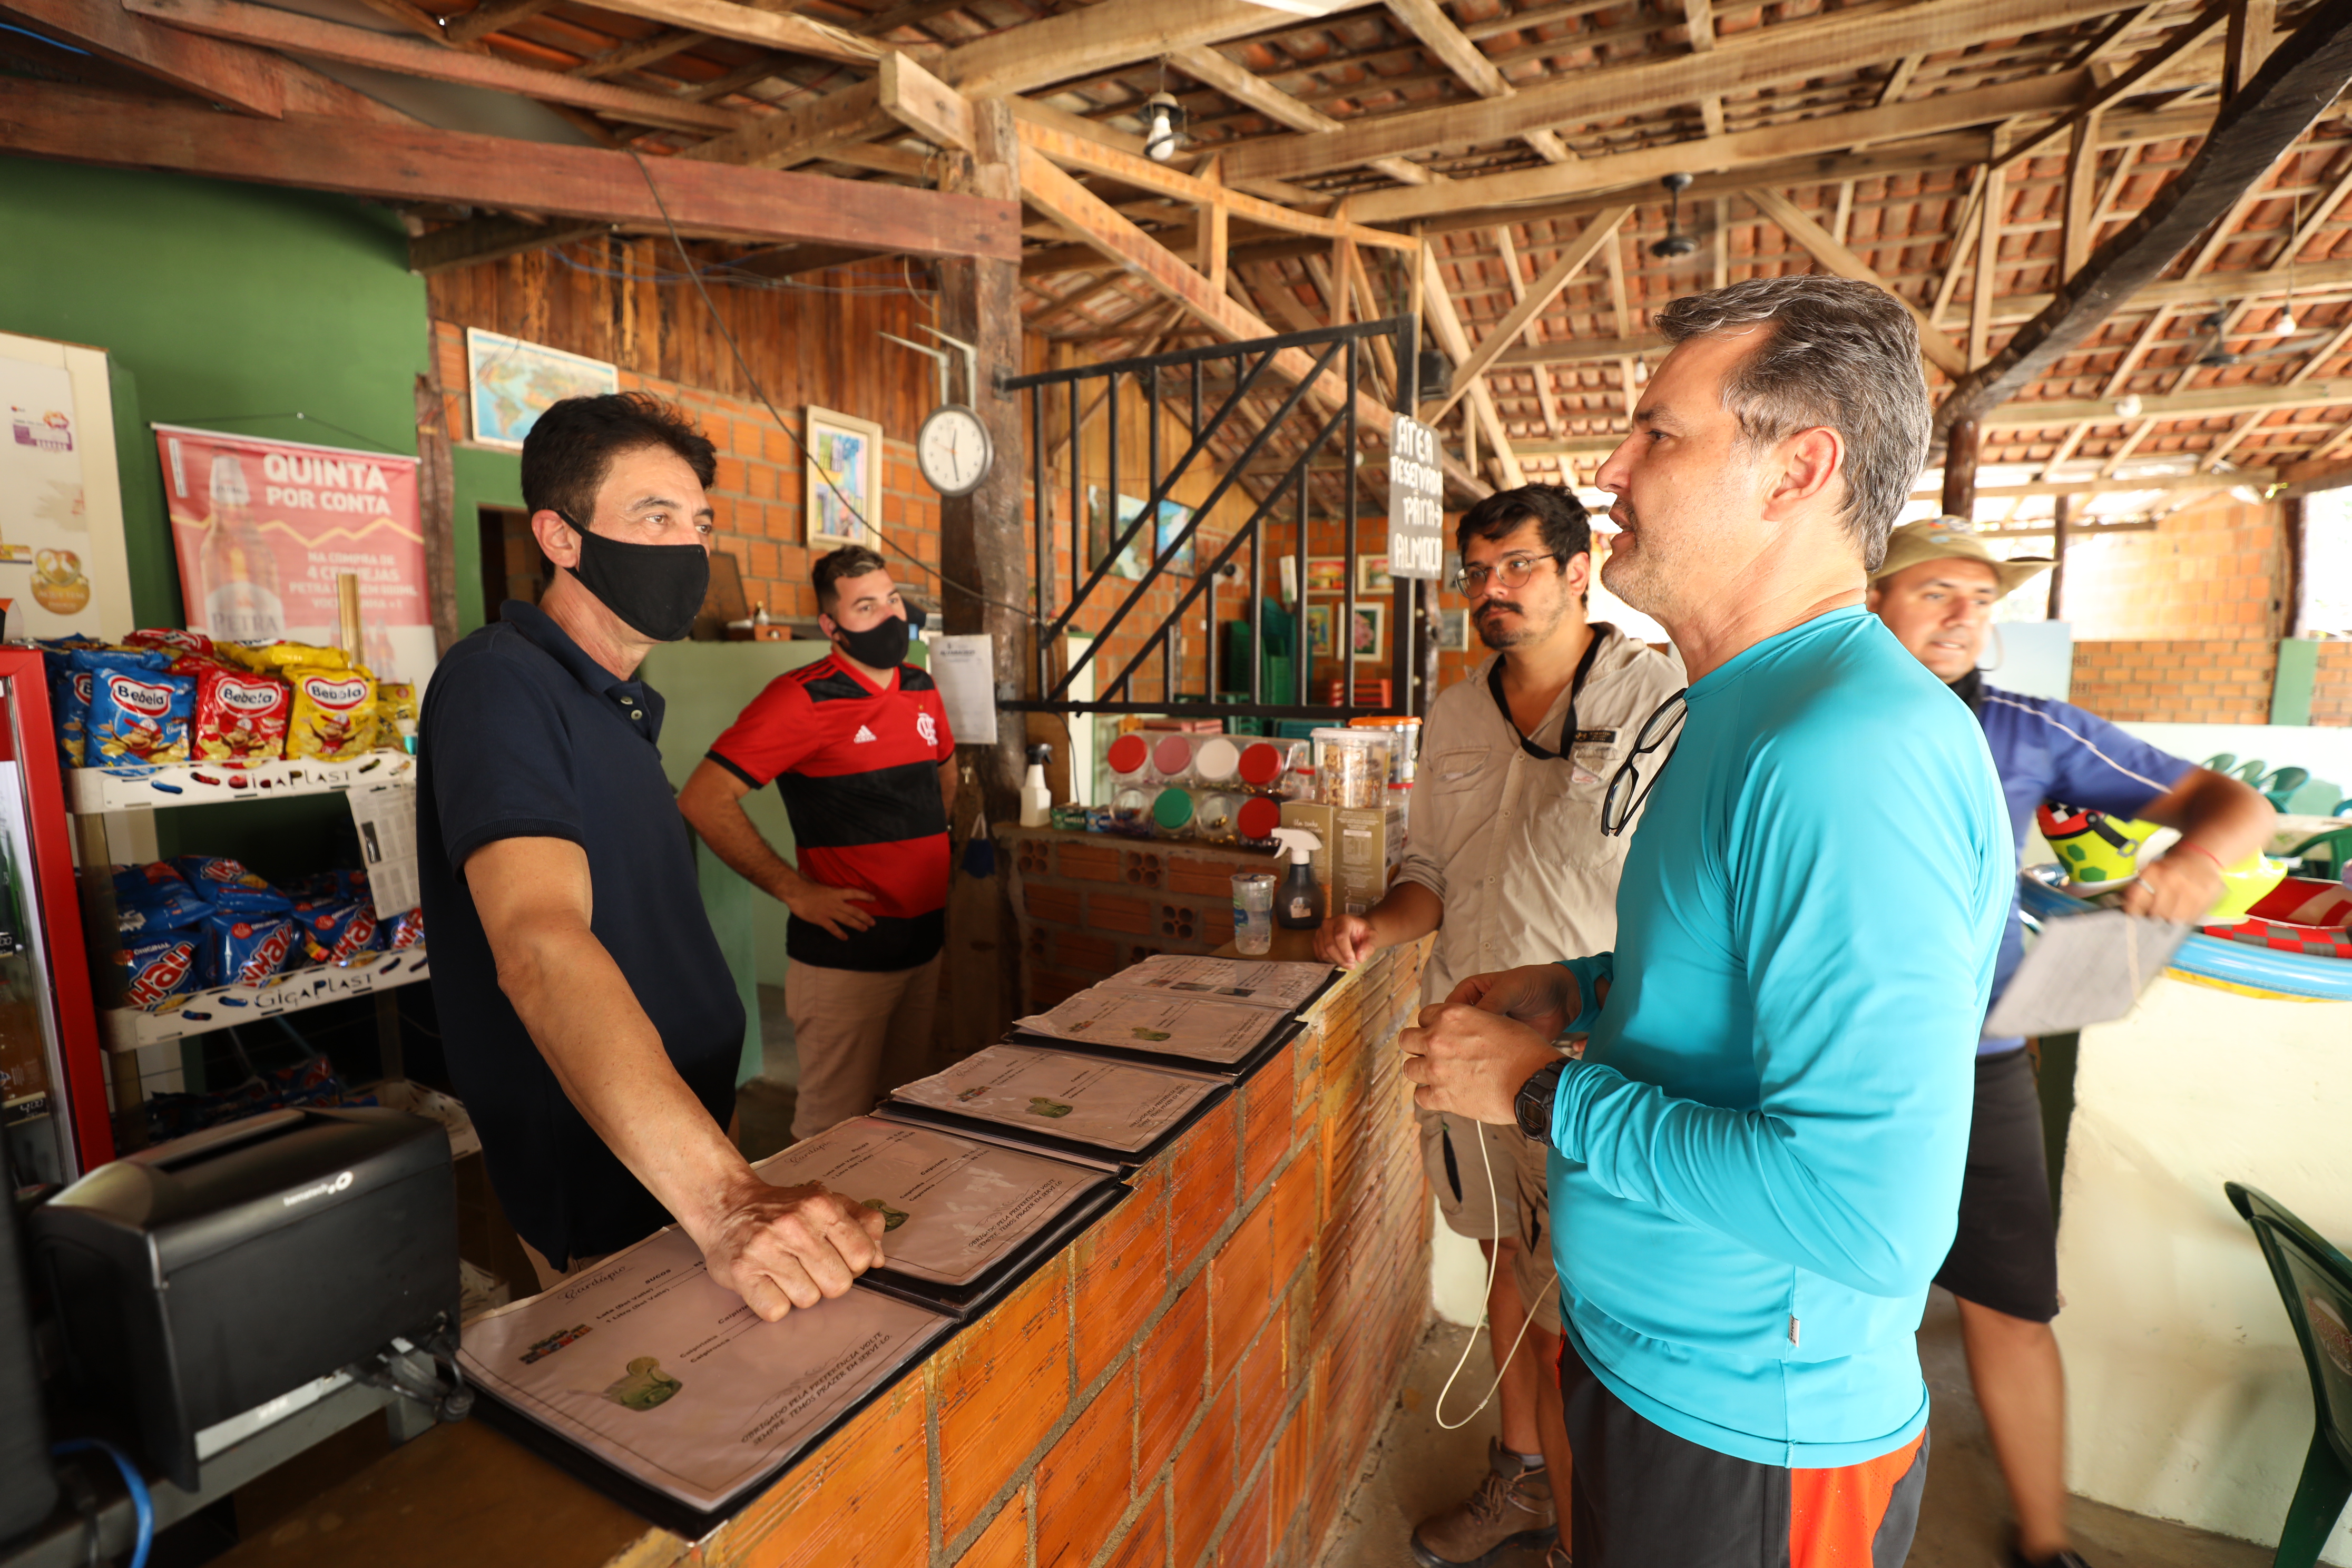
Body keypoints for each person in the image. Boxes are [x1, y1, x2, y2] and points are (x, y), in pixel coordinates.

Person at [1401, 275, 2012, 1567]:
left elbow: (1865, 1215)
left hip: (1752, 1434)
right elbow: (1742, 966)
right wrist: (1584, 987)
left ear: (1797, 470)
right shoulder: (1744, 704)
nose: (1611, 470)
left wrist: (1537, 1091)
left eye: (1658, 435)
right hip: (1657, 1367)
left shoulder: (1847, 750)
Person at [418, 392, 884, 1317]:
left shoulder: (615, 703)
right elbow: (539, 943)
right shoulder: (499, 682)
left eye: (699, 523)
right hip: (605, 1164)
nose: (688, 547)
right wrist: (727, 1198)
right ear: (560, 536)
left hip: (684, 1133)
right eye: (655, 517)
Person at [1867, 516, 2274, 1568]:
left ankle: (2045, 1543)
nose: (1963, 617)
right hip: (1840, 1061)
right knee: (1841, 1297)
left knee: (2007, 1301)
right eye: (1934, 592)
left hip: (1979, 1063)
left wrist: (2196, 860)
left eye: (1979, 599)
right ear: (1871, 601)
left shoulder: (2024, 730)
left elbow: (2232, 804)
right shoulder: (1822, 720)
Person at [1314, 485, 1683, 1568]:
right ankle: (1521, 1480)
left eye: (1516, 566)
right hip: (1467, 1043)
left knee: (1581, 1315)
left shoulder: (1659, 698)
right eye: (1476, 573)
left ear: (1577, 571)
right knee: (1505, 1271)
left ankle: (1587, 1532)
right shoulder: (1456, 712)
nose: (1491, 590)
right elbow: (1430, 870)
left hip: (1590, 1054)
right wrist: (1378, 925)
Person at [678, 545, 958, 1141]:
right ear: (831, 627)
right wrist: (795, 891)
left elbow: (945, 779)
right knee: (832, 1132)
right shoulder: (802, 698)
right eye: (866, 607)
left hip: (924, 944)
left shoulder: (922, 686)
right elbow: (703, 798)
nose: (891, 617)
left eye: (892, 600)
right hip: (847, 957)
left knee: (907, 1113)